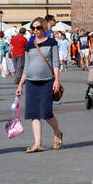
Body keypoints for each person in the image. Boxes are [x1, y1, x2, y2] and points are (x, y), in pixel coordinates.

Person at [17, 16, 63, 152]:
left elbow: (56, 63)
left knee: (47, 112)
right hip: (31, 82)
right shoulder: (29, 45)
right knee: (33, 114)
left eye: (38, 27)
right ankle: (38, 143)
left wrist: (57, 80)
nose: (35, 30)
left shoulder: (52, 42)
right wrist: (20, 84)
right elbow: (26, 66)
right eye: (33, 28)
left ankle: (58, 133)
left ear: (44, 27)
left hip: (47, 81)